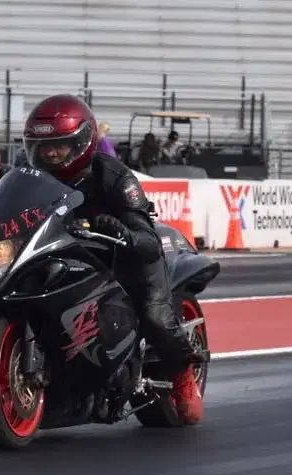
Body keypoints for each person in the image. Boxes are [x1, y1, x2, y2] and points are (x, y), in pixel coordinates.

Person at [21, 94, 204, 425]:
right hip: (71, 253)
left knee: (153, 313)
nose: (49, 153)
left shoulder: (116, 177)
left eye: (58, 145)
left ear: (80, 142)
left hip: (123, 254)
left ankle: (182, 376)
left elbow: (147, 240)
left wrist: (125, 231)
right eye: (42, 146)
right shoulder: (30, 177)